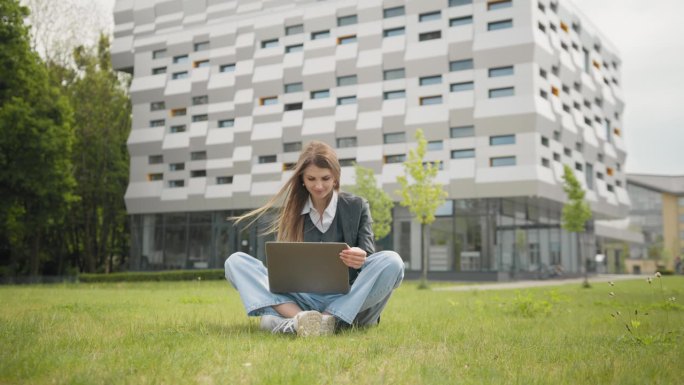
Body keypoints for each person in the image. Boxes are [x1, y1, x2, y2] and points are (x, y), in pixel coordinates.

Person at [224, 141, 404, 337]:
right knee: (236, 262)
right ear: (302, 179)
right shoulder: (292, 212)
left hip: (349, 298)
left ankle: (321, 320)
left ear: (335, 177)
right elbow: (284, 268)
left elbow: (368, 255)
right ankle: (302, 319)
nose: (318, 186)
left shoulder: (357, 206)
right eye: (311, 179)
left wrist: (361, 256)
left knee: (392, 261)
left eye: (325, 178)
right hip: (302, 299)